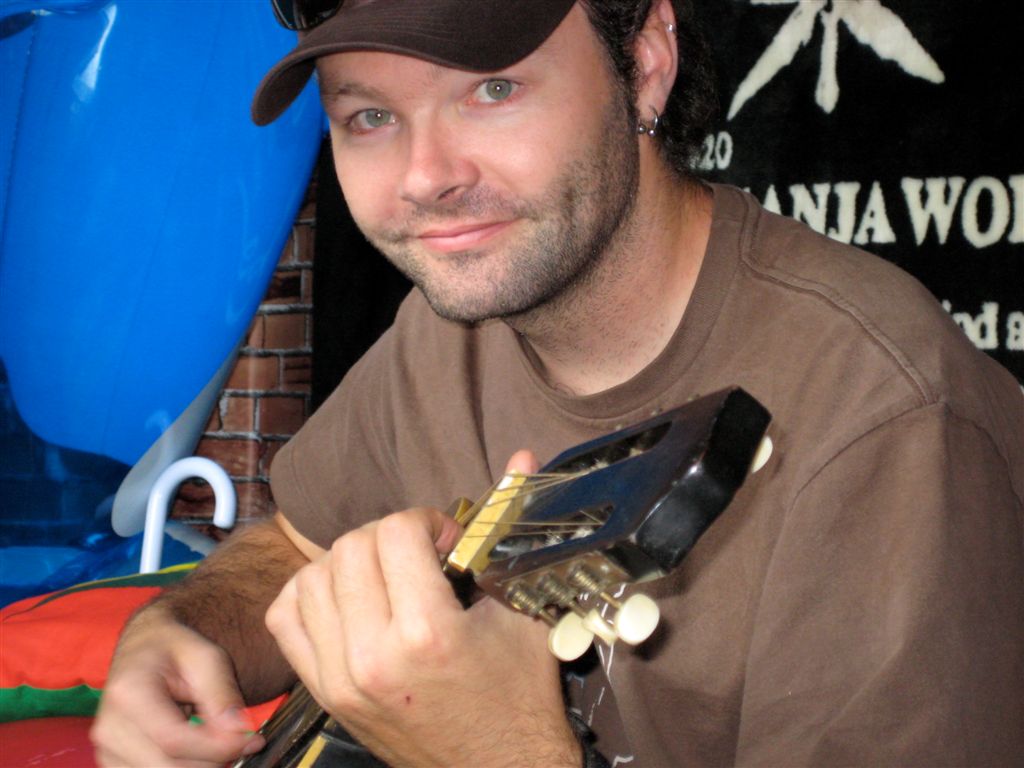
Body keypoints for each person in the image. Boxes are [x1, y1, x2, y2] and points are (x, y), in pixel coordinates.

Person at [91, 1, 1024, 766]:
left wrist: (499, 749)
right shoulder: (454, 325)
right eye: (369, 116)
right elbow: (299, 550)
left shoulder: (888, 420)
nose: (426, 177)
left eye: (492, 91)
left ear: (646, 64)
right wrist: (182, 632)